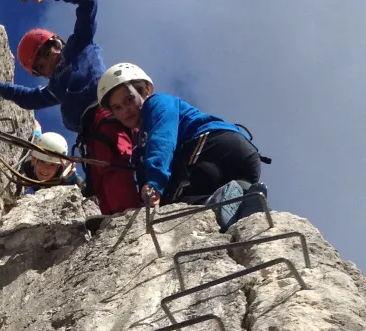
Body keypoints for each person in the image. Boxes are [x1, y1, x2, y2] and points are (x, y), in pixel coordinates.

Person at [0, 0, 139, 215]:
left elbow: (88, 5)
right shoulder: (55, 89)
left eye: (45, 54)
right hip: (90, 135)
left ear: (57, 43)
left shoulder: (79, 45)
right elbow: (28, 98)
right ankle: (111, 218)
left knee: (116, 163)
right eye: (40, 66)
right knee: (99, 181)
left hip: (106, 115)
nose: (47, 64)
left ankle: (129, 213)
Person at [96, 62, 269, 230]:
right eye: (117, 107)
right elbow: (144, 171)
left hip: (212, 146)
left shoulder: (156, 103)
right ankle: (247, 200)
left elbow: (163, 139)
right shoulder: (140, 145)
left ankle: (214, 203)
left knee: (173, 200)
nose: (125, 110)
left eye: (129, 99)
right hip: (241, 158)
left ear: (146, 90)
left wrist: (155, 183)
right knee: (176, 197)